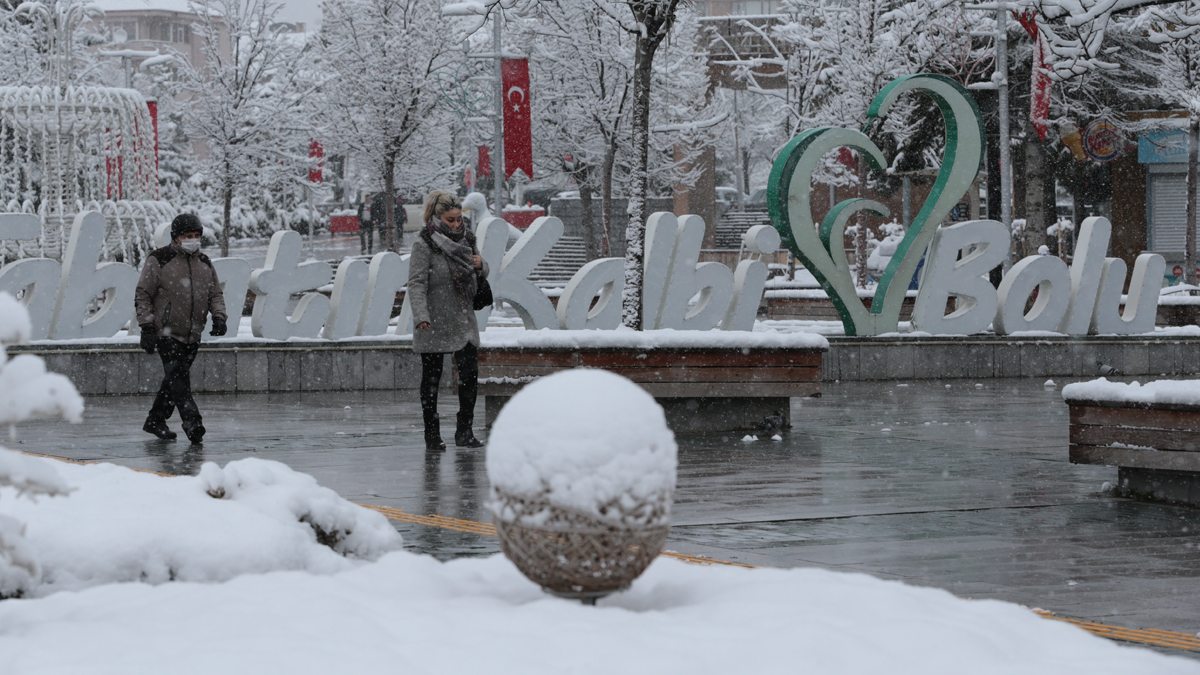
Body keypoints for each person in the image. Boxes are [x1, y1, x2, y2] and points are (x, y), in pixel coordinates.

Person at [135, 214, 227, 443]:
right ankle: (192, 422)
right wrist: (147, 327)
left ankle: (155, 420)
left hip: (193, 333)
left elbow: (215, 293)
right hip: (166, 332)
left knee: (173, 380)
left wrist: (219, 317)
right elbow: (143, 293)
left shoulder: (204, 262)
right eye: (188, 236)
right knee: (178, 379)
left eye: (197, 236)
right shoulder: (159, 259)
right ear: (176, 238)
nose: (193, 240)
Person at [408, 190, 488, 451]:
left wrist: (481, 265)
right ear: (436, 217)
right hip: (434, 320)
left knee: (469, 376)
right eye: (450, 220)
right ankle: (432, 435)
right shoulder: (425, 244)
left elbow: (478, 270)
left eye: (458, 219)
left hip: (463, 319)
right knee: (431, 379)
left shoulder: (468, 239)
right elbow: (417, 283)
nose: (456, 224)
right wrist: (421, 316)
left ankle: (464, 431)